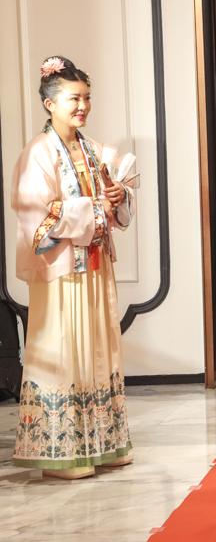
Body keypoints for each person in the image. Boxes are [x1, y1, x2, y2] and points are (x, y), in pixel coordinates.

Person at [11, 56, 136, 479]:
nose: (82, 106)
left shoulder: (93, 149)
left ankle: (103, 443)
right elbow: (35, 213)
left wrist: (118, 197)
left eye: (86, 98)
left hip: (95, 269)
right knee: (63, 348)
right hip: (61, 270)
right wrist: (95, 209)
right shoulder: (38, 153)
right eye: (73, 99)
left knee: (98, 349)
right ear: (50, 104)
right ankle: (62, 450)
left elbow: (115, 197)